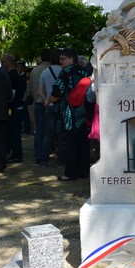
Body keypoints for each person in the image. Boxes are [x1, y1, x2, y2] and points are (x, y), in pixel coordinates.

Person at [46, 48, 90, 180]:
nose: (60, 61)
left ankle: (70, 173)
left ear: (71, 59)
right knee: (83, 143)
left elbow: (57, 92)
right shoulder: (84, 71)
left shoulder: (65, 72)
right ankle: (83, 172)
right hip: (84, 112)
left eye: (63, 58)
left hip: (69, 113)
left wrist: (48, 100)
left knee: (70, 143)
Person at [39, 49, 63, 166]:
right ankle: (61, 159)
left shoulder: (45, 72)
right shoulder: (63, 71)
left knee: (47, 135)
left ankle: (43, 160)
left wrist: (46, 101)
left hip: (49, 105)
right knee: (61, 134)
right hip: (61, 105)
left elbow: (40, 91)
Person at [2, 55, 25, 163]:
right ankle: (16, 153)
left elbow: (12, 93)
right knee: (14, 132)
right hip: (18, 106)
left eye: (3, 62)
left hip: (13, 107)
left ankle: (16, 155)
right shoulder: (16, 74)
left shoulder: (11, 75)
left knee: (14, 132)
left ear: (8, 63)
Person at [31, 49, 52, 166]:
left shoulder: (34, 71)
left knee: (39, 130)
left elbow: (30, 88)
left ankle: (38, 154)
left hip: (38, 102)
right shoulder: (54, 69)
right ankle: (46, 154)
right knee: (49, 131)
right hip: (50, 102)